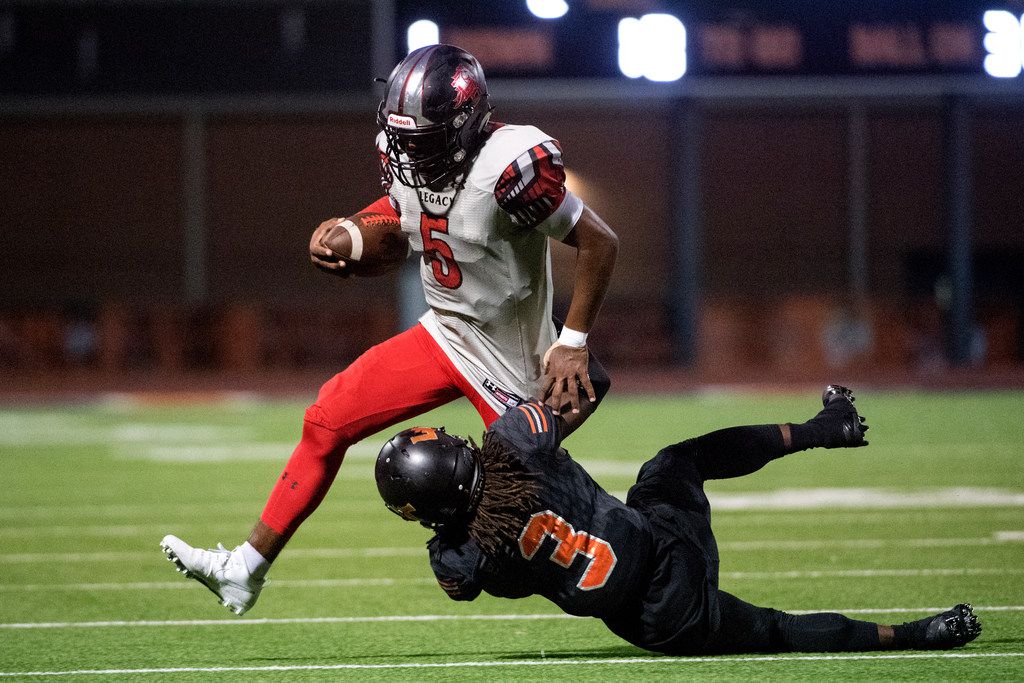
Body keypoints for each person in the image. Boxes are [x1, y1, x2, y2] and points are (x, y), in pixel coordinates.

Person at [160, 44, 618, 615]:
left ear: (463, 126)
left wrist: (572, 342)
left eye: (422, 141)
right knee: (326, 419)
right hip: (445, 333)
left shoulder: (510, 167)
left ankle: (646, 576)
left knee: (533, 516)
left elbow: (599, 241)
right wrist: (352, 232)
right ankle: (244, 570)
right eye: (402, 138)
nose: (406, 153)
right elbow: (402, 221)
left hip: (510, 360)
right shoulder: (412, 155)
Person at [374, 386, 982, 655]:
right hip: (666, 546)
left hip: (653, 621)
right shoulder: (515, 445)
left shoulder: (458, 557)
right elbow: (590, 382)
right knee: (675, 462)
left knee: (774, 631)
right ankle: (828, 429)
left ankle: (915, 634)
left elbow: (461, 581)